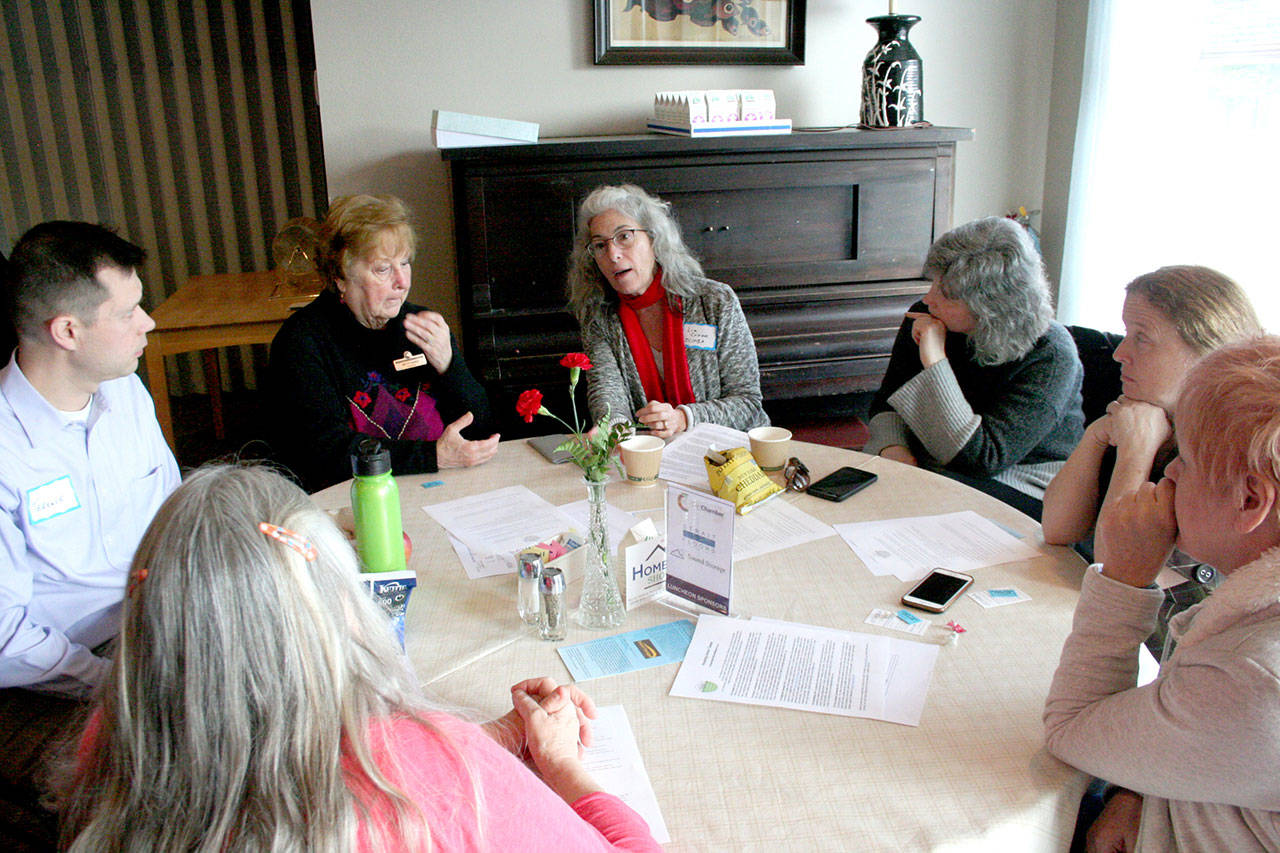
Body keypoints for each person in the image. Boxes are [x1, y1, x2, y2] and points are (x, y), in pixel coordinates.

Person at [57, 464, 662, 852]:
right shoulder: (435, 780)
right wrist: (557, 763)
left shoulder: (116, 739)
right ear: (336, 609)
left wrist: (494, 740)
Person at [1044, 336, 1280, 851]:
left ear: (1250, 498)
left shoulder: (1252, 678)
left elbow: (1070, 729)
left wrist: (1124, 578)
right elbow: (1206, 740)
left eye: (1186, 461)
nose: (1169, 473)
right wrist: (1137, 789)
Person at [0, 222, 180, 842]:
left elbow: (172, 517)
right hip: (46, 683)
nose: (149, 323)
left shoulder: (124, 391)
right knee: (174, 793)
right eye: (129, 311)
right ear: (68, 331)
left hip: (147, 634)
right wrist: (114, 681)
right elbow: (5, 640)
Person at [267, 194, 498, 492]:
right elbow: (324, 453)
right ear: (340, 275)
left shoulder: (420, 324)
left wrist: (450, 367)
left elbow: (481, 428)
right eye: (383, 269)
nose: (402, 281)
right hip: (353, 496)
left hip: (438, 484)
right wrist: (432, 456)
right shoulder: (302, 342)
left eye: (405, 263)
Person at [862, 216, 1083, 518]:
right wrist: (894, 452)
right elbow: (888, 400)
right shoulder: (927, 316)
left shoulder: (1052, 357)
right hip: (934, 461)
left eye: (946, 293)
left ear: (990, 306)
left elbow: (981, 459)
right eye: (934, 283)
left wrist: (935, 360)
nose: (929, 298)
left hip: (1019, 478)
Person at [1042, 266, 1261, 554]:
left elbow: (1115, 568)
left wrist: (1137, 451)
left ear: (1207, 352)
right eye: (1127, 333)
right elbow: (1056, 529)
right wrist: (1097, 435)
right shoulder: (1141, 410)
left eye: (1142, 338)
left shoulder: (1226, 453)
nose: (1119, 354)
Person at [567, 184, 768, 439]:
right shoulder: (601, 319)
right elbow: (608, 399)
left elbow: (747, 403)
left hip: (733, 450)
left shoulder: (715, 301)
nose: (613, 254)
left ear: (653, 238)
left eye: (624, 236)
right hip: (652, 454)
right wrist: (614, 430)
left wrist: (683, 418)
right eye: (600, 245)